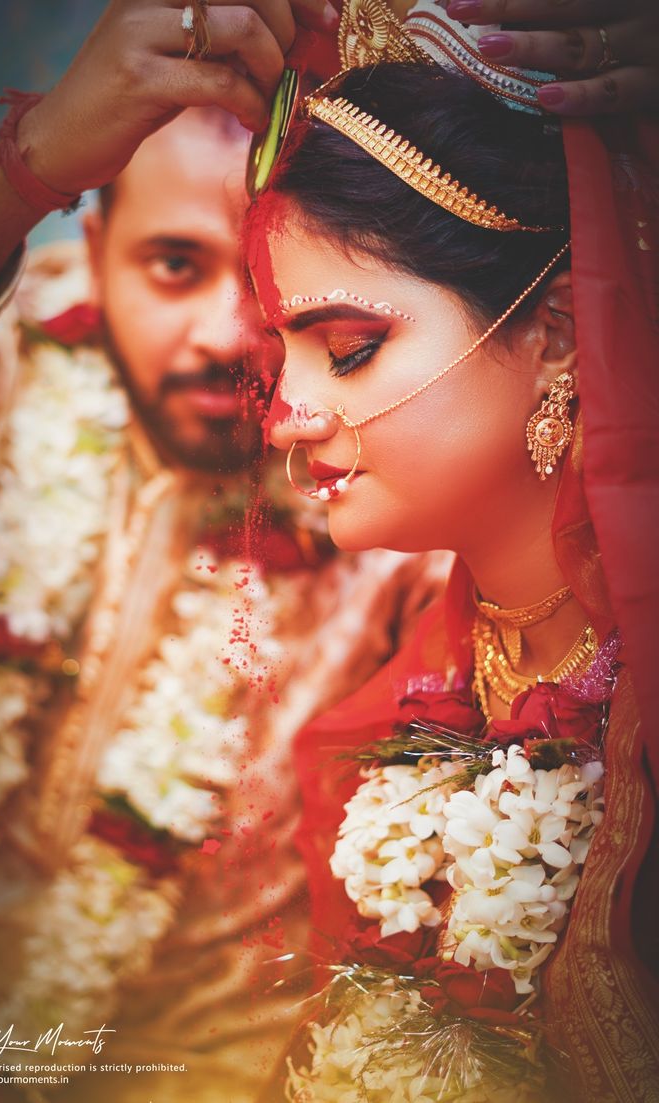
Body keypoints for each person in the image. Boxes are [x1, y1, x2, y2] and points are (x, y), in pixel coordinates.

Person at [0, 8, 447, 1103]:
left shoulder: (401, 509)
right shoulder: (2, 363)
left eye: (266, 290)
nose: (224, 335)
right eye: (173, 263)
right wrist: (28, 166)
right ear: (92, 250)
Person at [245, 2, 659, 1099]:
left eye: (346, 348)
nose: (285, 412)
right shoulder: (399, 703)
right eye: (282, 352)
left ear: (558, 332)